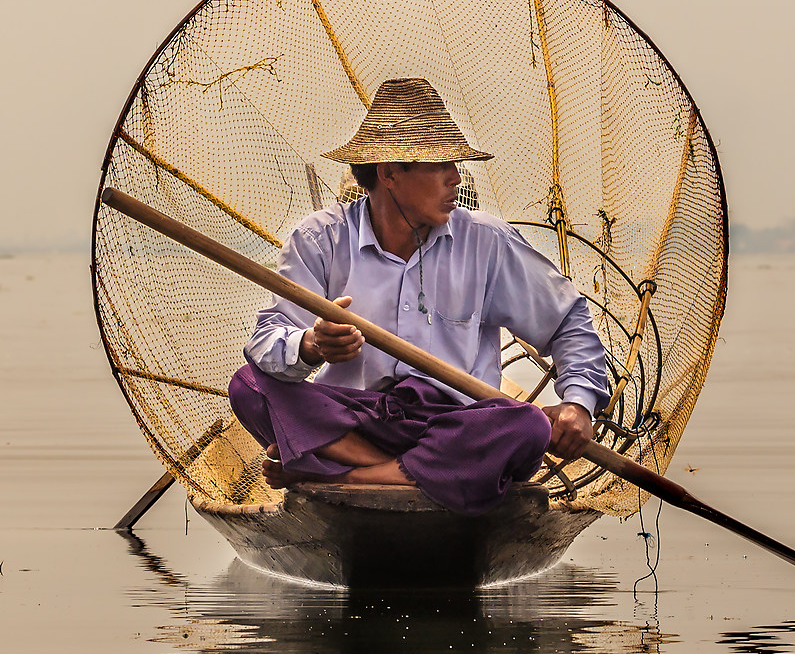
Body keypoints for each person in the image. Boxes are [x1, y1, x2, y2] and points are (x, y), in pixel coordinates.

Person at [227, 78, 610, 516]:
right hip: (357, 423)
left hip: (454, 427)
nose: (455, 178)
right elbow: (267, 340)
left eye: (455, 163)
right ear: (389, 173)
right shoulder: (321, 239)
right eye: (440, 163)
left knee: (524, 426)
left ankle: (337, 476)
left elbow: (567, 323)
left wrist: (579, 403)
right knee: (250, 385)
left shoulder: (485, 242)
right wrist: (312, 346)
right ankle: (404, 473)